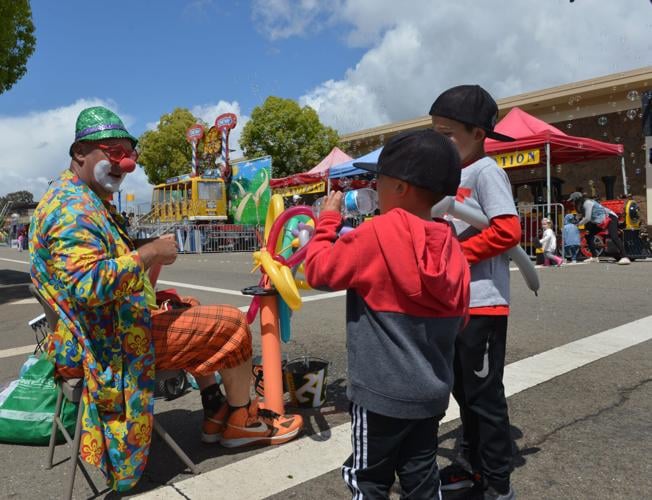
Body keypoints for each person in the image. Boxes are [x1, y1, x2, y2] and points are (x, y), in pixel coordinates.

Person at [29, 106, 302, 492]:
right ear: (80, 154)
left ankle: (213, 410)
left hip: (98, 332)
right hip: (109, 345)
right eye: (112, 152)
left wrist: (144, 251)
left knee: (185, 305)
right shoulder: (73, 209)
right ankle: (243, 421)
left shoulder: (79, 195)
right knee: (232, 323)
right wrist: (150, 253)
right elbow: (86, 285)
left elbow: (95, 261)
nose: (123, 163)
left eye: (128, 154)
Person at [305, 129, 471, 499]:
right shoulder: (451, 246)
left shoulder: (374, 235)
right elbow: (461, 319)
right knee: (422, 476)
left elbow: (318, 272)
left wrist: (327, 222)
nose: (373, 188)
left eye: (377, 180)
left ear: (400, 186)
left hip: (380, 395)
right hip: (430, 396)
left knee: (368, 479)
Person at [430, 84, 521, 500]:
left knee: (484, 400)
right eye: (435, 132)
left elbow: (508, 230)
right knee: (463, 394)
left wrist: (458, 254)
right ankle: (474, 469)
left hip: (483, 304)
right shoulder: (452, 175)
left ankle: (498, 484)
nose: (440, 142)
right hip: (451, 305)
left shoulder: (487, 172)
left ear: (478, 133)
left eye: (447, 133)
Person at [568, 191, 630, 264]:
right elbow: (582, 216)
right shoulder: (580, 206)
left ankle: (625, 257)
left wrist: (578, 224)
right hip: (599, 221)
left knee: (614, 236)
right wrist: (575, 220)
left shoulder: (587, 203)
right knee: (588, 235)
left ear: (577, 199)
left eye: (572, 200)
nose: (572, 202)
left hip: (609, 217)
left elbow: (587, 218)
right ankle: (594, 257)